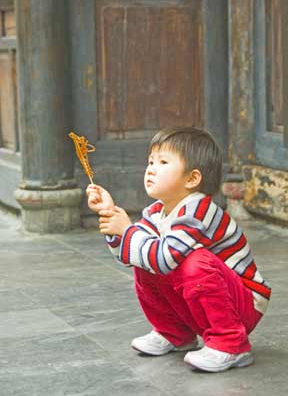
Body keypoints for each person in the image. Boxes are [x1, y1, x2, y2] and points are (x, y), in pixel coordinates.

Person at [86, 127, 271, 373]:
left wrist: (128, 231)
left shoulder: (199, 211)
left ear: (192, 179)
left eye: (163, 162)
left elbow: (163, 259)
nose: (151, 168)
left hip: (243, 305)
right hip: (209, 298)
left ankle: (231, 343)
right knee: (145, 260)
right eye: (150, 161)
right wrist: (112, 221)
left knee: (194, 262)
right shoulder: (156, 212)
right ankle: (175, 333)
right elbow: (131, 256)